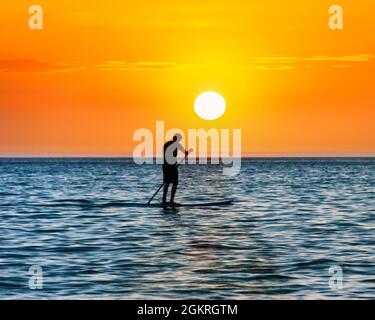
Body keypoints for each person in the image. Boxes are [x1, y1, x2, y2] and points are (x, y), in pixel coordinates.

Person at [162, 134, 188, 206]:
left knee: (166, 183)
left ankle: (163, 200)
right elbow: (184, 152)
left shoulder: (165, 144)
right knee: (175, 182)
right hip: (172, 166)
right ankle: (171, 201)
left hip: (165, 166)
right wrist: (186, 153)